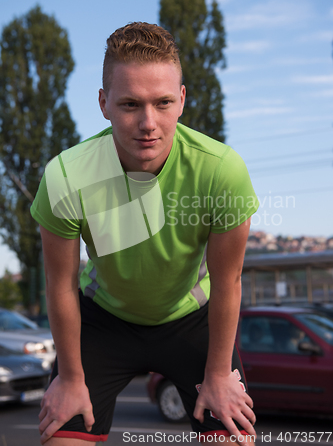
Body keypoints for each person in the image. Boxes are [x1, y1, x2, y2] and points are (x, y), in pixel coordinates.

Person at [31, 22, 259, 445]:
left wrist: (217, 376)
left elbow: (227, 282)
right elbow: (60, 285)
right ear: (104, 104)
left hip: (191, 320)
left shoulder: (222, 170)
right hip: (103, 320)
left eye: (163, 102)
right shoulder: (66, 175)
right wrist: (69, 377)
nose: (148, 123)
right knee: (59, 437)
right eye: (130, 104)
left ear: (183, 100)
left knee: (233, 437)